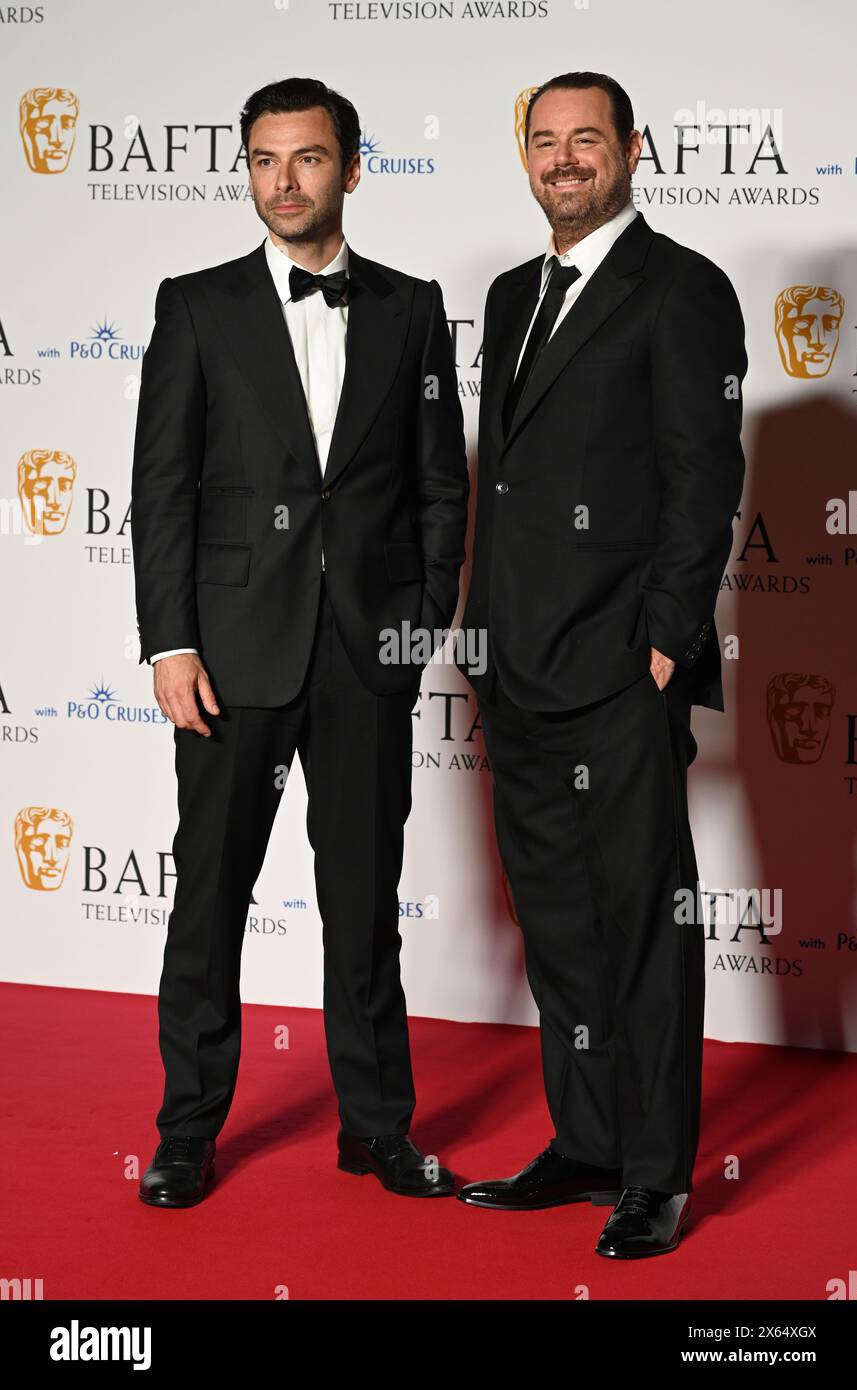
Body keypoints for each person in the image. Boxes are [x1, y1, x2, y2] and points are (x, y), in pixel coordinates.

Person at [131, 77, 468, 1208]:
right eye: (264, 160)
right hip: (230, 654)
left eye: (308, 159)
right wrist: (170, 642)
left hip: (366, 653)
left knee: (363, 902)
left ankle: (375, 1128)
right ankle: (186, 1131)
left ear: (351, 168)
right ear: (246, 171)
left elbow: (438, 484)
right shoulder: (195, 305)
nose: (284, 181)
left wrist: (419, 616)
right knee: (209, 895)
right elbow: (162, 490)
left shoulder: (412, 307)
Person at [456, 71, 747, 1257]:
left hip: (623, 672)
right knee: (560, 927)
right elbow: (503, 482)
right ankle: (581, 1143)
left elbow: (703, 481)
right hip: (516, 666)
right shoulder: (510, 292)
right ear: (524, 156)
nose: (563, 159)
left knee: (640, 925)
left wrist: (665, 647)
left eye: (586, 139)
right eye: (544, 140)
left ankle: (651, 1172)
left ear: (632, 150)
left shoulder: (680, 289)